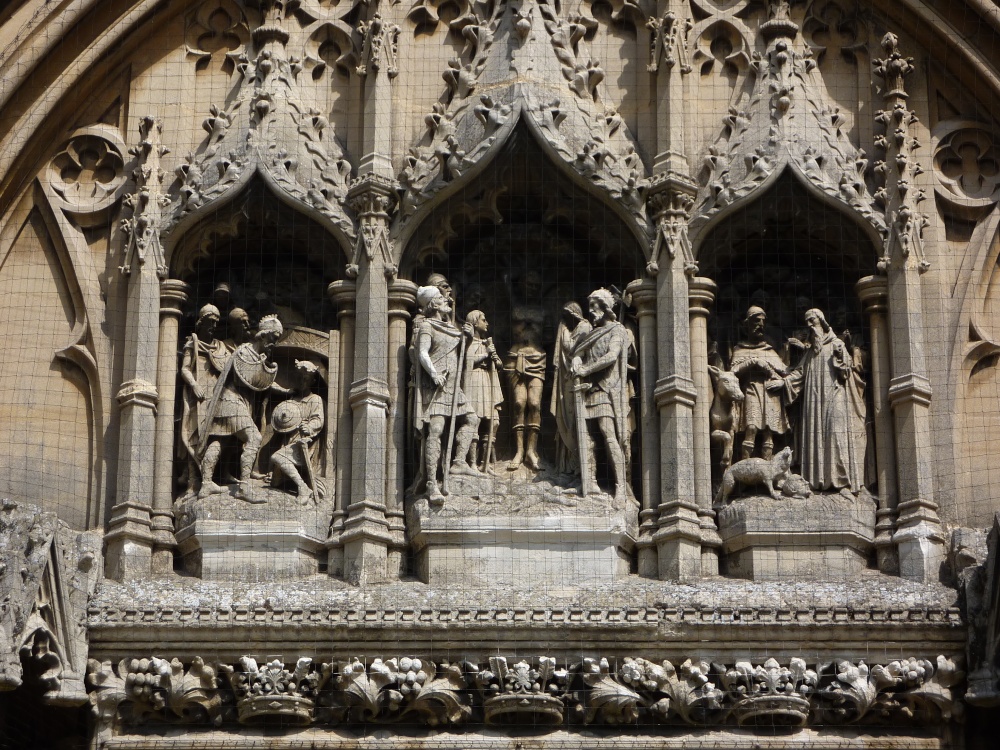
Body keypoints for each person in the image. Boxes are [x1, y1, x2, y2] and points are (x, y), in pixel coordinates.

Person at [767, 308, 867, 492]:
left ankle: (842, 481)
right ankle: (817, 482)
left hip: (835, 395)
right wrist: (783, 382)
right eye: (807, 322)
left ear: (822, 322)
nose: (809, 325)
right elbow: (799, 373)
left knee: (837, 433)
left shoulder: (837, 344)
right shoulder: (811, 352)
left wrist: (841, 357)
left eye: (812, 320)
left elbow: (846, 373)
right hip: (814, 401)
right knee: (816, 435)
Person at [198, 314, 291, 502]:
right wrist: (265, 367)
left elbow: (260, 380)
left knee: (221, 440)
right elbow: (250, 379)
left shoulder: (255, 356)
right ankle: (244, 487)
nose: (274, 343)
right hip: (231, 401)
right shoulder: (244, 352)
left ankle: (206, 483)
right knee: (254, 437)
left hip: (230, 402)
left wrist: (284, 389)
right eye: (274, 338)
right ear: (263, 335)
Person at [413, 286, 481, 504]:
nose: (447, 301)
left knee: (472, 419)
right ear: (433, 304)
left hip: (453, 386)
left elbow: (459, 354)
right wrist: (434, 374)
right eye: (442, 299)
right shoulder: (427, 326)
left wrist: (468, 339)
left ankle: (458, 461)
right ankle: (432, 483)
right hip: (437, 386)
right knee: (436, 430)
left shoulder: (451, 328)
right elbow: (422, 352)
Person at [571, 288, 631, 502]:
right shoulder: (592, 334)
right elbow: (578, 351)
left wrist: (585, 369)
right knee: (587, 438)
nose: (590, 311)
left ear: (605, 307)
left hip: (606, 391)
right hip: (587, 391)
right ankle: (590, 483)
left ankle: (621, 487)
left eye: (593, 306)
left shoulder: (617, 330)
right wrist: (577, 359)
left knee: (609, 435)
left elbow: (612, 356)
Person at [178, 304, 230, 496]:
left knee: (217, 433)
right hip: (198, 397)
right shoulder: (193, 344)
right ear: (201, 322)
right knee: (195, 435)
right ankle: (193, 482)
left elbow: (229, 369)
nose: (213, 326)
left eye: (216, 322)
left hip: (217, 396)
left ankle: (215, 476)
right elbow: (185, 369)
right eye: (210, 322)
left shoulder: (221, 347)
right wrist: (194, 385)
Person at [730, 306, 790, 460]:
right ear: (747, 324)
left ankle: (768, 467)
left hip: (770, 393)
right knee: (751, 428)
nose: (760, 325)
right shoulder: (740, 349)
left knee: (769, 433)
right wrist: (753, 362)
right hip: (751, 389)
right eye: (756, 321)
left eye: (763, 322)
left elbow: (785, 372)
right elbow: (732, 371)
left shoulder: (769, 350)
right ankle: (745, 466)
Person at [504, 271, 547, 471]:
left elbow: (548, 336)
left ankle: (532, 451)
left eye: (535, 285)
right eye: (528, 284)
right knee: (519, 404)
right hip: (516, 357)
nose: (532, 288)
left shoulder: (543, 311)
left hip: (537, 357)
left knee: (535, 404)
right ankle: (519, 451)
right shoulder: (514, 306)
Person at [269, 360, 324, 503]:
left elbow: (318, 419)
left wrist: (310, 427)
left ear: (312, 381)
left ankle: (303, 487)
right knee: (275, 483)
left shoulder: (315, 399)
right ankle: (293, 482)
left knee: (277, 457)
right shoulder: (293, 398)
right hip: (289, 440)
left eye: (306, 378)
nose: (302, 381)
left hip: (303, 441)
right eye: (299, 377)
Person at [550, 302, 592, 474]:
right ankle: (566, 465)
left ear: (574, 314)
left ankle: (577, 467)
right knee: (567, 418)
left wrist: (563, 331)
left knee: (573, 419)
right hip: (568, 379)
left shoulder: (584, 327)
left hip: (577, 380)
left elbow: (569, 347)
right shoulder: (576, 328)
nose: (565, 319)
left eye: (567, 315)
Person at [461, 310, 504, 471]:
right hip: (475, 380)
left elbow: (499, 365)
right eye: (483, 320)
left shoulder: (487, 343)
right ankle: (472, 462)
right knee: (475, 420)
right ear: (475, 322)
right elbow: (467, 362)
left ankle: (485, 463)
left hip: (488, 380)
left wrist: (495, 358)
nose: (487, 323)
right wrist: (486, 354)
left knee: (494, 422)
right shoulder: (468, 341)